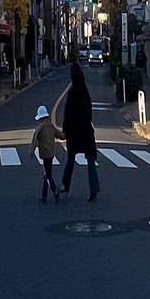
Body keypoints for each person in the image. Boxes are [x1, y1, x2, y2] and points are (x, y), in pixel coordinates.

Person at [57, 57, 100, 203]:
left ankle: (65, 185)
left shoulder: (72, 92)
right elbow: (90, 110)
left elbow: (67, 114)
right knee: (90, 159)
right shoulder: (84, 91)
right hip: (87, 131)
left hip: (74, 132)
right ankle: (94, 189)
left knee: (70, 159)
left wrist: (64, 130)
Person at [30, 103, 61, 204]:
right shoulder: (51, 126)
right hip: (51, 153)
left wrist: (31, 152)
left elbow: (34, 140)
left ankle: (55, 190)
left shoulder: (39, 128)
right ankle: (44, 196)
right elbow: (60, 134)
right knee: (47, 174)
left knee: (47, 175)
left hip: (44, 154)